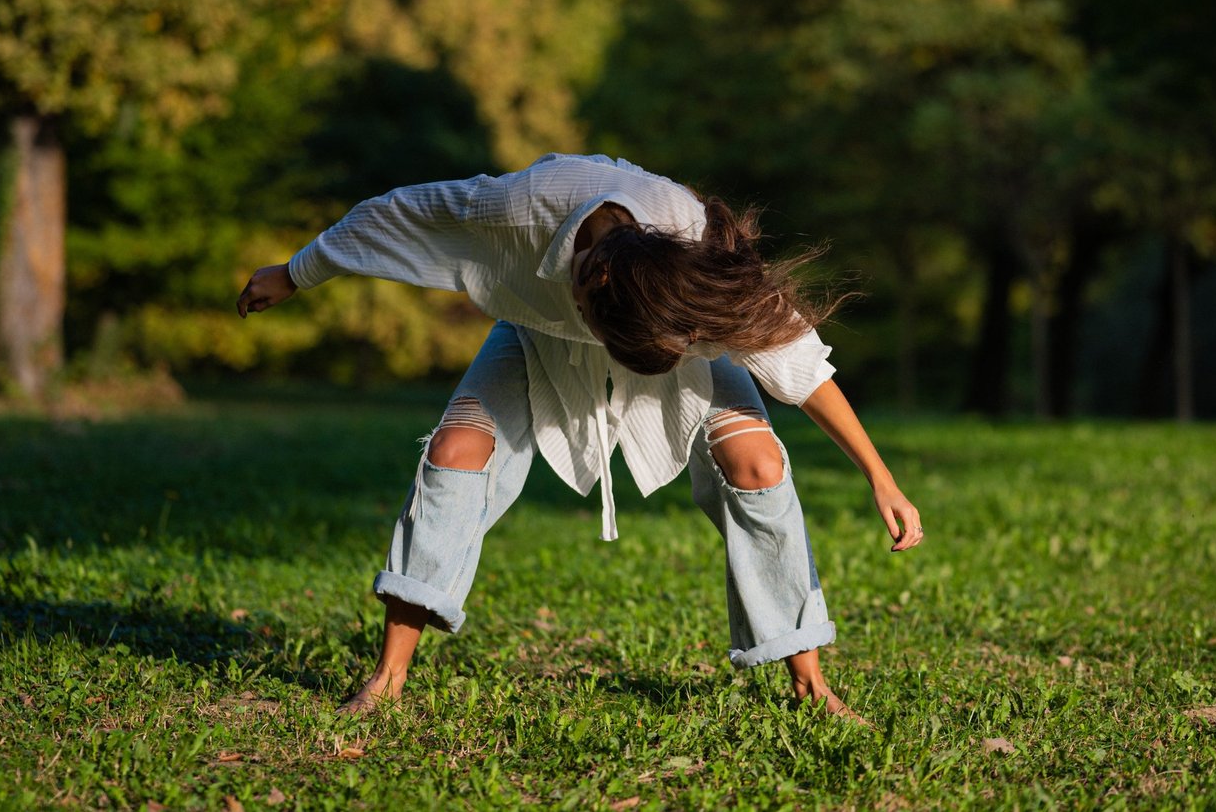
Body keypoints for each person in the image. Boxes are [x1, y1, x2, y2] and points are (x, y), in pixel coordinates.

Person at [234, 153, 922, 720]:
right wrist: (294, 274)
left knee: (757, 461)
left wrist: (880, 476)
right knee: (455, 451)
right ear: (591, 279)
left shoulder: (691, 258)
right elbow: (394, 213)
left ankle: (809, 681)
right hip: (538, 334)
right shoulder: (516, 208)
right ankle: (388, 677)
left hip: (671, 342)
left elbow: (798, 364)